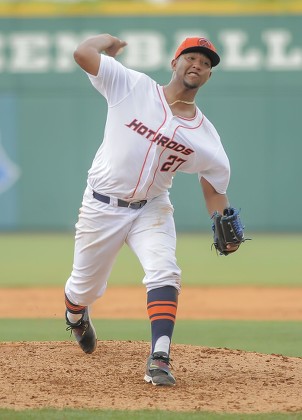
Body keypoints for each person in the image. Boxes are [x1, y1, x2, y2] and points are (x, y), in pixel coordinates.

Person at [64, 33, 239, 387]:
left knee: (165, 271)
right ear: (174, 62)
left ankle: (159, 357)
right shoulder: (132, 86)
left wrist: (221, 217)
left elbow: (214, 183)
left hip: (152, 209)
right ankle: (76, 314)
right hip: (101, 206)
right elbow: (82, 53)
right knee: (83, 288)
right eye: (191, 58)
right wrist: (106, 43)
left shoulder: (204, 134)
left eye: (206, 64)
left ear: (208, 76)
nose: (198, 65)